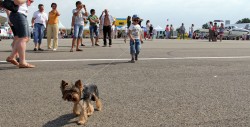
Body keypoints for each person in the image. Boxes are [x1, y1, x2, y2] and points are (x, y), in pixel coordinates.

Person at [6, 0, 35, 68]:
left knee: (25, 38)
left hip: (20, 14)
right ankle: (22, 62)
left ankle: (12, 56)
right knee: (23, 38)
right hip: (18, 14)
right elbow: (17, 2)